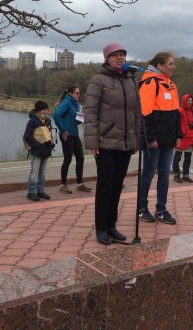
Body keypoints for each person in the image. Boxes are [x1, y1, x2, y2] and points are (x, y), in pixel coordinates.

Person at [84, 43, 139, 245]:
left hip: (124, 143)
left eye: (122, 55)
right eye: (115, 55)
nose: (119, 58)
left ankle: (111, 225)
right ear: (107, 58)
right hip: (106, 142)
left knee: (117, 185)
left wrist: (134, 140)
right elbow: (90, 112)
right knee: (105, 186)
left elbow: (135, 113)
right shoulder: (99, 80)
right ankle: (100, 228)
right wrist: (92, 141)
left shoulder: (130, 80)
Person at [138, 52, 182, 225]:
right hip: (154, 141)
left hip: (169, 139)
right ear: (160, 65)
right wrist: (150, 138)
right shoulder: (150, 83)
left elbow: (176, 114)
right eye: (170, 64)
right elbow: (145, 114)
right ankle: (141, 208)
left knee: (164, 174)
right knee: (148, 174)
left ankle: (161, 209)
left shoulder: (171, 84)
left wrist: (178, 135)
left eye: (173, 63)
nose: (173, 67)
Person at [53, 85, 92, 194]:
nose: (78, 95)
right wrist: (63, 130)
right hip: (66, 134)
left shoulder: (74, 104)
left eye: (79, 93)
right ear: (70, 93)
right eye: (77, 93)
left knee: (80, 157)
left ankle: (80, 184)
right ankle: (63, 185)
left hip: (74, 133)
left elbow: (73, 119)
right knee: (68, 159)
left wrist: (80, 119)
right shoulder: (66, 102)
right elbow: (56, 115)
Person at [24, 100, 54, 201]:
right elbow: (27, 137)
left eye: (46, 109)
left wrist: (51, 143)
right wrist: (36, 145)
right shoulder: (33, 121)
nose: (46, 111)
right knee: (34, 172)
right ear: (38, 110)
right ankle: (31, 192)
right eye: (44, 109)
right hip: (37, 151)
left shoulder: (48, 120)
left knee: (43, 173)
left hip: (46, 150)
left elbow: (50, 133)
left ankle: (40, 191)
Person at [173, 94, 193, 183]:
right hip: (181, 137)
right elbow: (176, 123)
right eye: (188, 100)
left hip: (190, 137)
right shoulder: (180, 111)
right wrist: (178, 134)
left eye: (191, 101)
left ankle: (186, 175)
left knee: (188, 158)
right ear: (184, 101)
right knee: (177, 157)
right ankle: (176, 174)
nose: (190, 102)